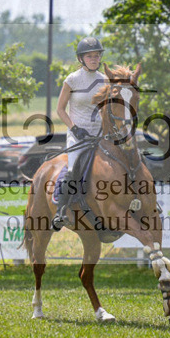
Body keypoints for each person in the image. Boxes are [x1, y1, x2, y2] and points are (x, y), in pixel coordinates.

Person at [52, 36, 106, 230]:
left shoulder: (105, 80)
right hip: (78, 136)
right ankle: (61, 211)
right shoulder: (72, 80)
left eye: (96, 56)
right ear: (81, 59)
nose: (94, 59)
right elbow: (59, 109)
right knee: (73, 169)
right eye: (89, 56)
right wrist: (75, 128)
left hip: (100, 136)